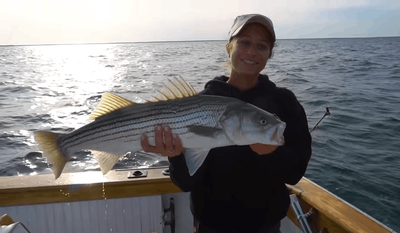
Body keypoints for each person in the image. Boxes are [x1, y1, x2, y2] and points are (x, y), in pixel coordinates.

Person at [141, 14, 312, 233]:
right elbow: (186, 183)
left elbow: (295, 172)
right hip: (210, 227)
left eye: (262, 46)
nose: (252, 51)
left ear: (269, 54)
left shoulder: (284, 102)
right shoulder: (198, 103)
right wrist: (174, 155)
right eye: (244, 42)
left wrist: (272, 153)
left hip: (266, 227)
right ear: (229, 47)